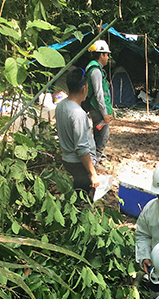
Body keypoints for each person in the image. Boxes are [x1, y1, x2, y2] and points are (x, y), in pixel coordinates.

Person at [55, 68, 100, 201]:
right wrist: (93, 173)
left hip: (68, 160)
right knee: (82, 203)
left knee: (73, 199)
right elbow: (81, 148)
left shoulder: (61, 105)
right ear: (84, 88)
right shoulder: (78, 114)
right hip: (79, 165)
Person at [84, 39, 113, 162]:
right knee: (103, 134)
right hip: (97, 108)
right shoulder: (95, 70)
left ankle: (99, 156)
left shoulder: (96, 68)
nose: (108, 58)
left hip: (97, 108)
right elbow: (98, 94)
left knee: (99, 131)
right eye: (107, 55)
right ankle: (97, 158)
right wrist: (105, 113)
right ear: (102, 54)